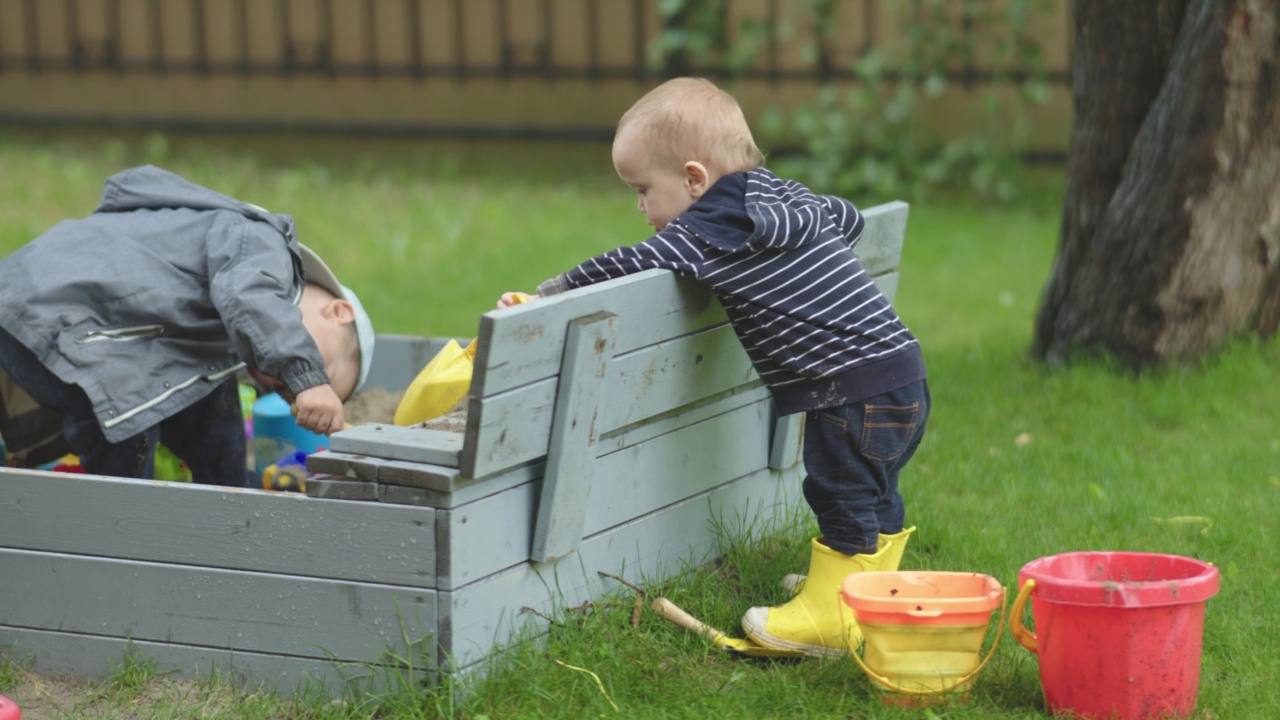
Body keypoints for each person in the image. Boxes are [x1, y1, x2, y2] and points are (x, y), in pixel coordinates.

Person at [498, 77, 929, 657]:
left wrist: (552, 293)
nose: (641, 206)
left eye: (644, 189)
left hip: (848, 391)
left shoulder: (713, 230)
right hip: (900, 374)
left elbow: (633, 262)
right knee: (876, 489)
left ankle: (831, 618)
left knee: (841, 491)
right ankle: (866, 588)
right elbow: (848, 217)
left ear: (695, 180)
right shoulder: (783, 198)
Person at [0, 165, 375, 487]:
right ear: (337, 311)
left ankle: (230, 505)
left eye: (288, 395)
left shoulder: (217, 336)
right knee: (126, 422)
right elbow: (249, 295)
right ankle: (124, 538)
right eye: (325, 369)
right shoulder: (261, 243)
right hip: (60, 311)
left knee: (213, 405)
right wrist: (307, 377)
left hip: (55, 319)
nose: (287, 391)